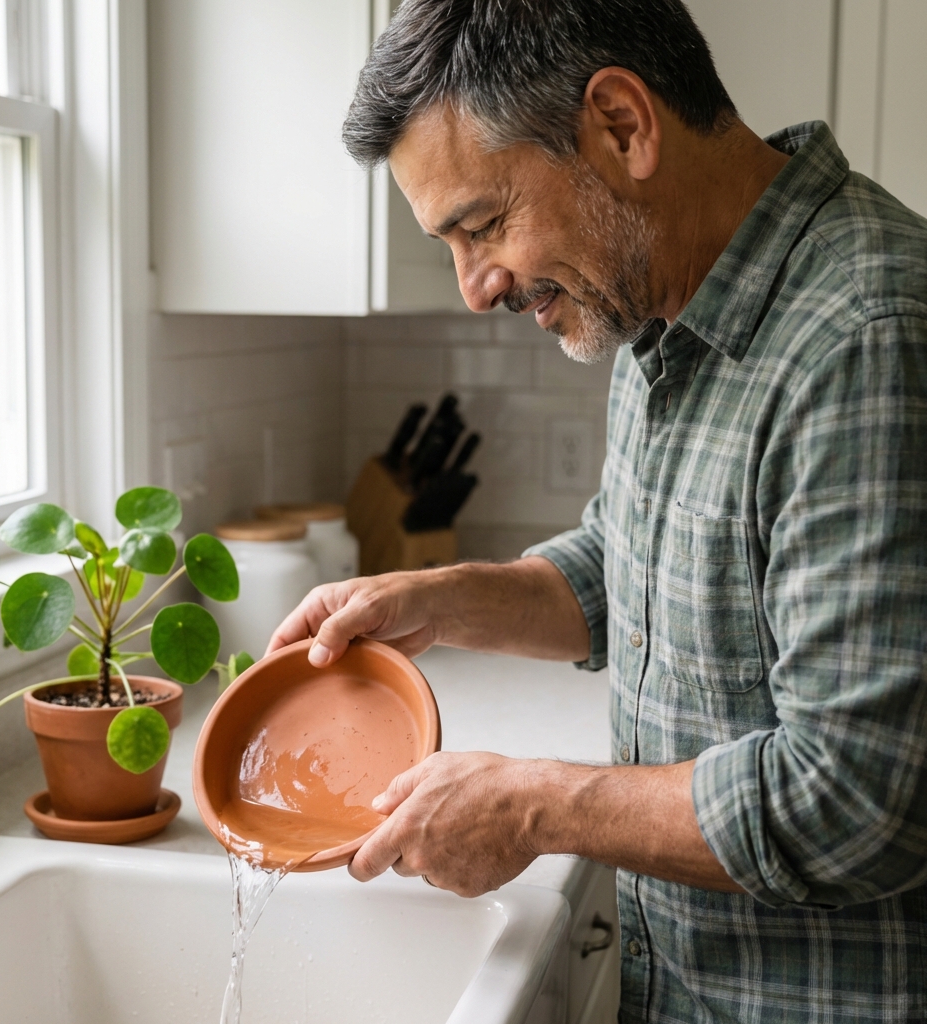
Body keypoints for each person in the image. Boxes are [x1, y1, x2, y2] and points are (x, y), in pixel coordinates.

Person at [268, 1, 927, 1020]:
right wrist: (437, 601)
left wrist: (534, 804)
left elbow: (853, 800)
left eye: (482, 225)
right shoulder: (661, 308)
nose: (475, 286)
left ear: (621, 125)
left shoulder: (866, 337)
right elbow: (631, 570)